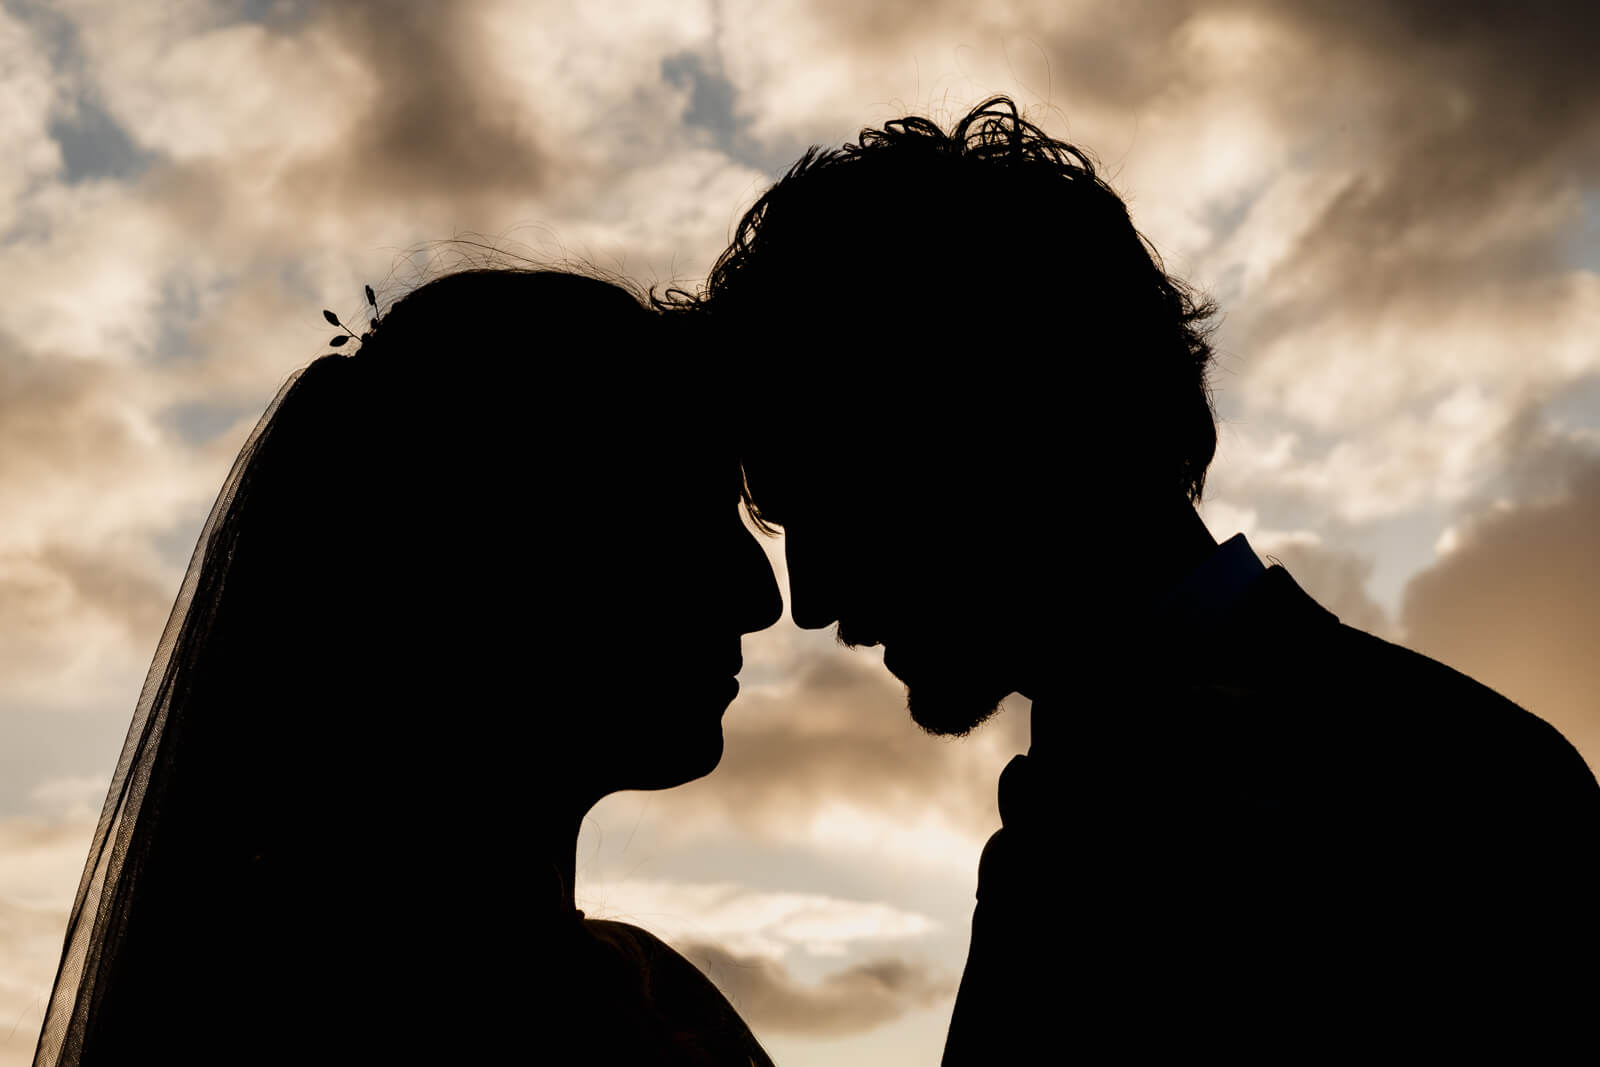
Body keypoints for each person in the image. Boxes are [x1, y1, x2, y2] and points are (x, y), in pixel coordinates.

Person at [666, 98, 1600, 1059]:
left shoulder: (1451, 804)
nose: (811, 599)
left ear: (1003, 432)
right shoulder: (1448, 764)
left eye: (836, 506)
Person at [34, 269, 781, 1066]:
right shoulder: (307, 1014)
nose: (759, 595)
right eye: (683, 523)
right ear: (491, 556)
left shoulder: (649, 997)